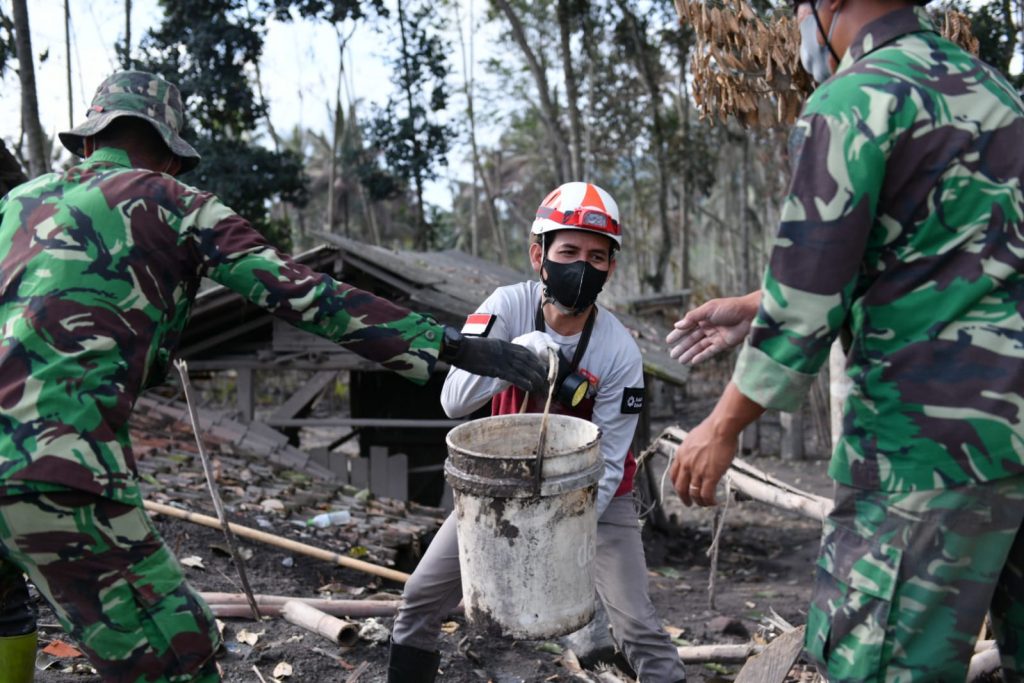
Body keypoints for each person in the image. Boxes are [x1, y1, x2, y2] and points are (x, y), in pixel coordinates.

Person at [0, 70, 548, 683]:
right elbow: (302, 292)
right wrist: (448, 344)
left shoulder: (16, 204)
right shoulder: (174, 202)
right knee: (179, 655)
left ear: (88, 141)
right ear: (171, 154)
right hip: (57, 463)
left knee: (6, 611)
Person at [666, 0, 1024, 679]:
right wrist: (756, 304)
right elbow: (952, 254)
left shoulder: (855, 99)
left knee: (879, 665)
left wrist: (722, 424)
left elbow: (807, 298)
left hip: (926, 453)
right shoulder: (996, 93)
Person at [388, 182, 687, 682]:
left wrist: (552, 530)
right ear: (538, 255)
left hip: (593, 496)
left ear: (611, 268)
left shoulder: (618, 352)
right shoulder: (506, 307)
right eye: (568, 252)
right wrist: (512, 353)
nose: (582, 267)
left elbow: (609, 464)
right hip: (499, 486)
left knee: (637, 625)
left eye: (596, 256)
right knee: (419, 597)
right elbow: (453, 401)